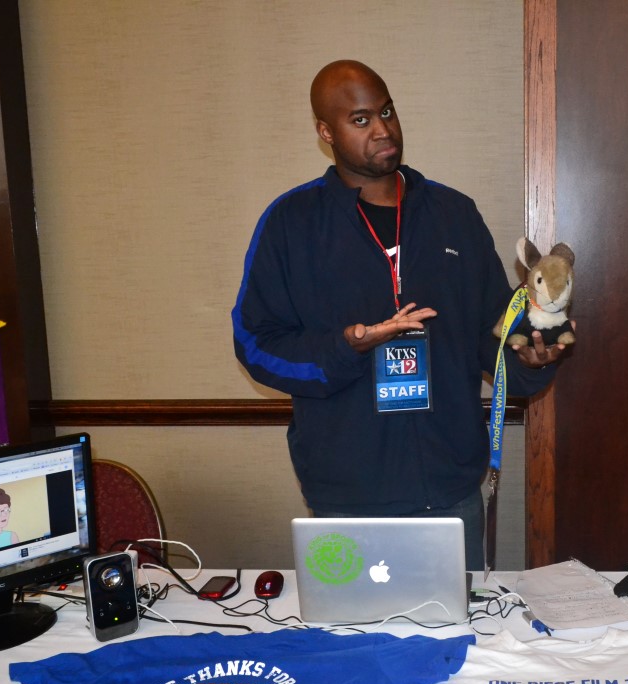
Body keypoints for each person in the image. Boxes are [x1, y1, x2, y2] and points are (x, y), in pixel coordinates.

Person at [232, 60, 571, 570]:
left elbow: (493, 333)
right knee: (353, 623)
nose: (383, 130)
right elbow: (255, 342)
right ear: (326, 132)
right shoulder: (291, 223)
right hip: (346, 497)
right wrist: (345, 348)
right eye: (360, 120)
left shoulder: (454, 214)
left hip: (450, 490)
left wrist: (532, 357)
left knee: (456, 622)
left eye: (387, 112)